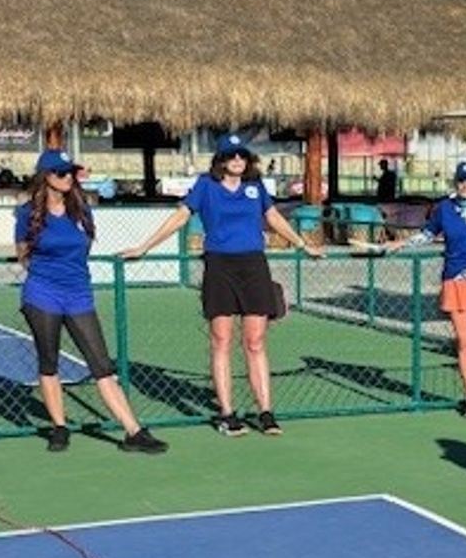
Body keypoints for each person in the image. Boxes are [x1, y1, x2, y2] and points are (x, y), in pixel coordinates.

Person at [120, 134, 323, 436]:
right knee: (221, 340)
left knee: (255, 341)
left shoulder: (255, 187)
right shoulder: (206, 186)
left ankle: (266, 412)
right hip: (219, 266)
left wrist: (302, 244)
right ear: (221, 160)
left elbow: (273, 218)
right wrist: (144, 246)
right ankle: (227, 413)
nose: (237, 160)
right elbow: (180, 217)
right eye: (231, 155)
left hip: (253, 265)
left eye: (242, 155)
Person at [15, 149, 167, 454]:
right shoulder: (27, 213)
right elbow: (23, 254)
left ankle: (134, 432)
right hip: (42, 294)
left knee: (101, 365)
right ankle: (59, 428)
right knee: (49, 362)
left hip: (79, 294)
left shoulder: (81, 210)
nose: (68, 178)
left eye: (71, 172)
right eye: (61, 173)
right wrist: (48, 276)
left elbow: (82, 247)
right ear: (46, 177)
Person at [382, 159, 466, 417]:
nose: (465, 186)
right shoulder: (444, 209)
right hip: (454, 280)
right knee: (465, 341)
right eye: (461, 181)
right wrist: (400, 244)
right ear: (456, 183)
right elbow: (427, 234)